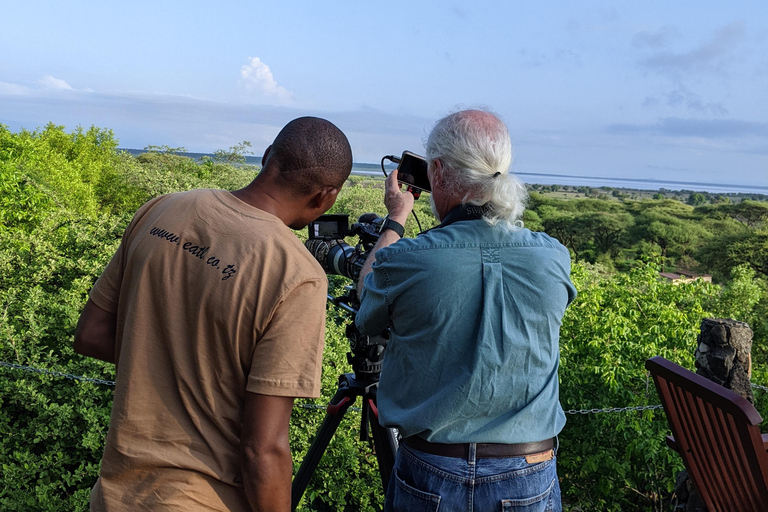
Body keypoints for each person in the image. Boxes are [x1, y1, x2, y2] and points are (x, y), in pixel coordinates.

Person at [74, 116, 352, 512]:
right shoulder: (297, 275)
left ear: (267, 157)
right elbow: (263, 452)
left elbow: (90, 335)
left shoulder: (162, 209)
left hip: (114, 495)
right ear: (326, 196)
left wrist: (173, 363)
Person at [355, 109, 577, 512]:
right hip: (529, 469)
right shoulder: (552, 257)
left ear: (436, 171)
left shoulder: (408, 259)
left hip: (431, 467)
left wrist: (397, 217)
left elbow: (366, 302)